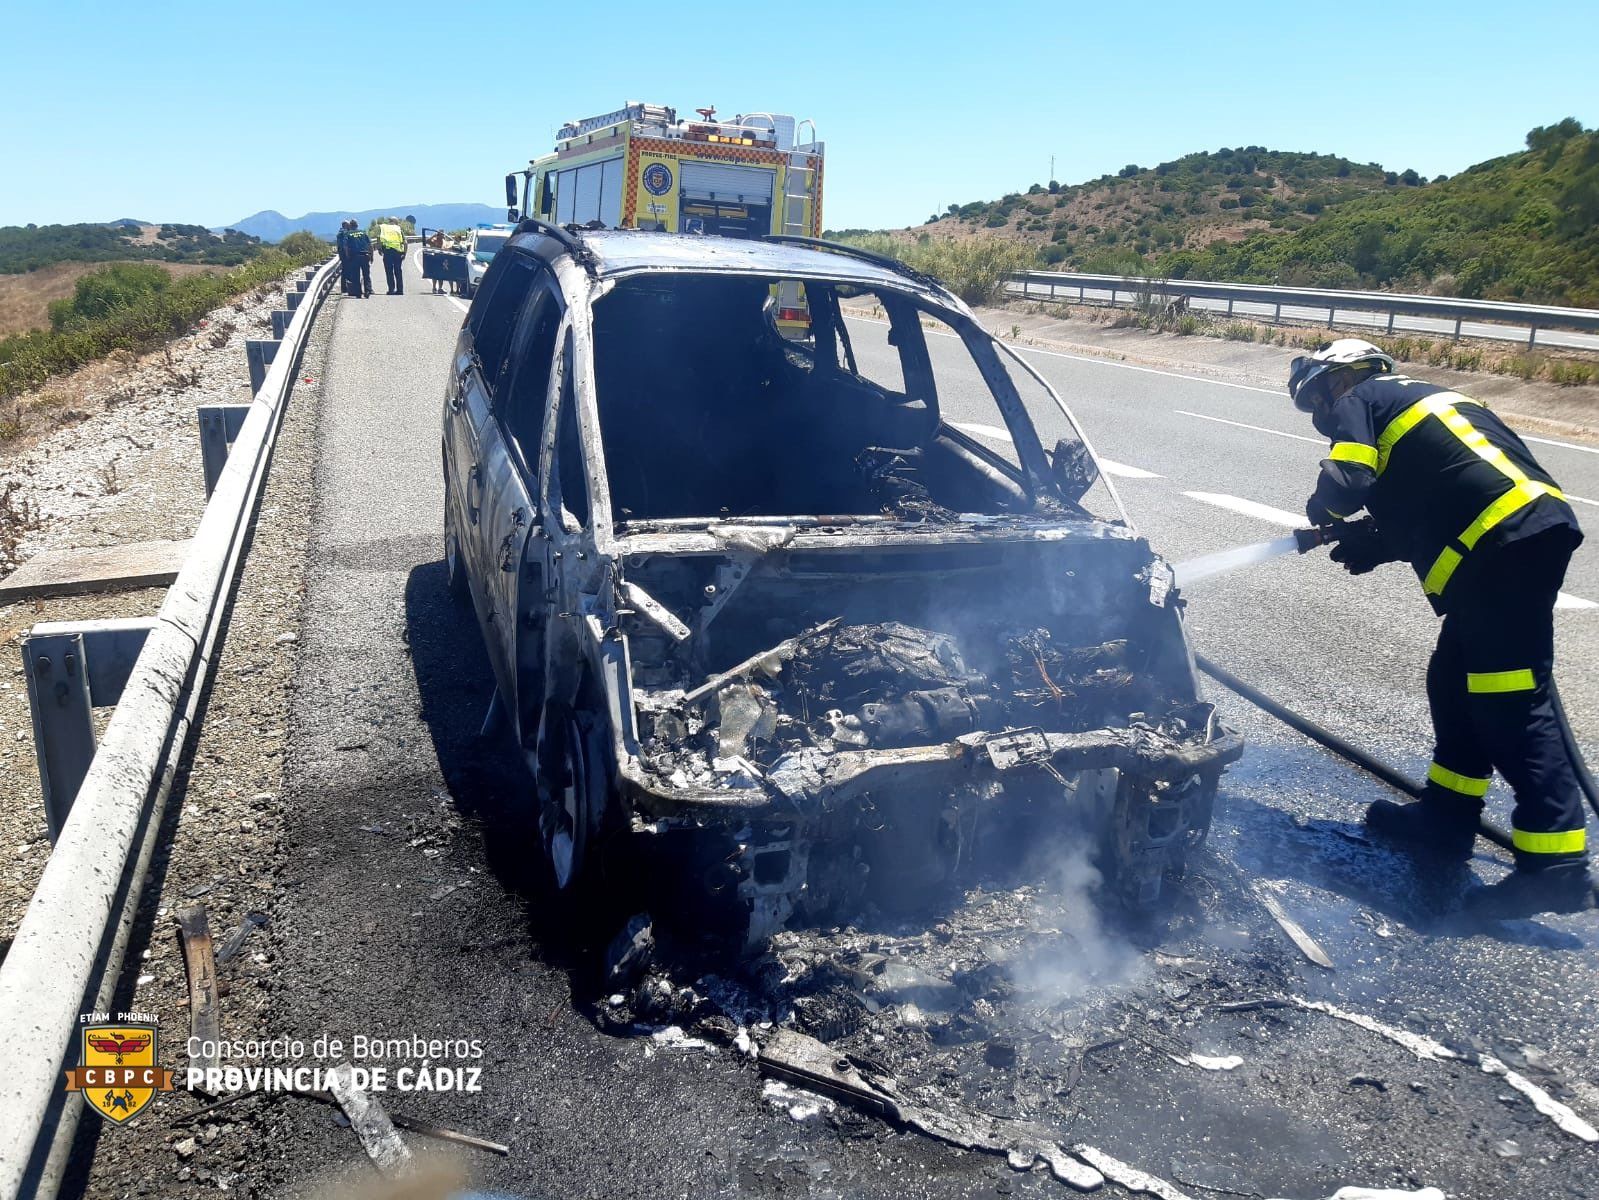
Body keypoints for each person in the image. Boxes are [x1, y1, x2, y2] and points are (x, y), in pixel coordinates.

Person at [1289, 338, 1592, 918]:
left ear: (1335, 381)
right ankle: (1447, 819)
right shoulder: (1421, 402)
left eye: (1318, 406)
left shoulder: (1362, 397)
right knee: (1453, 682)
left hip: (1503, 545)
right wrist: (1377, 543)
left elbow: (1350, 478)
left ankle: (1554, 867)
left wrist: (1321, 513)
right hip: (1512, 538)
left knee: (1510, 704)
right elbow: (1441, 492)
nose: (1323, 422)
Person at [377, 221, 406, 295]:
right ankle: (400, 290)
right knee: (398, 271)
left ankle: (391, 290)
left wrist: (379, 249)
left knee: (389, 271)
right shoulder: (398, 229)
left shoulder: (384, 228)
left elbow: (379, 239)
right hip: (398, 252)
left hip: (387, 252)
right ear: (396, 222)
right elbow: (405, 242)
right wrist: (404, 253)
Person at [346, 222, 373, 298]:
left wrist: (348, 256)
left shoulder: (348, 234)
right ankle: (367, 291)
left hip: (354, 257)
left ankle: (358, 293)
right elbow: (370, 245)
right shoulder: (363, 232)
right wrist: (371, 256)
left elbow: (346, 246)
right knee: (366, 275)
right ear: (357, 225)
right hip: (365, 255)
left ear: (350, 226)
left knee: (356, 275)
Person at [335, 220, 355, 296]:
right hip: (345, 254)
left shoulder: (340, 232)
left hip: (342, 254)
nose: (350, 226)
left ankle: (344, 288)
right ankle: (346, 288)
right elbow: (345, 244)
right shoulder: (345, 233)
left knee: (344, 270)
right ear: (346, 225)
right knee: (347, 271)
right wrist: (348, 254)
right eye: (349, 225)